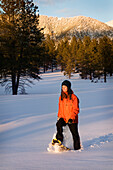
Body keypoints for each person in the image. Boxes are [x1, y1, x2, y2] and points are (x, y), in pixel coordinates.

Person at [52, 80, 81, 150]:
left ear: (68, 87)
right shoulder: (61, 97)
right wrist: (59, 116)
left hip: (72, 119)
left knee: (75, 134)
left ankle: (77, 148)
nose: (63, 88)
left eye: (65, 87)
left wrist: (71, 118)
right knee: (58, 124)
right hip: (63, 118)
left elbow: (76, 109)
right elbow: (60, 108)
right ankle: (59, 139)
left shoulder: (74, 97)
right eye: (62, 87)